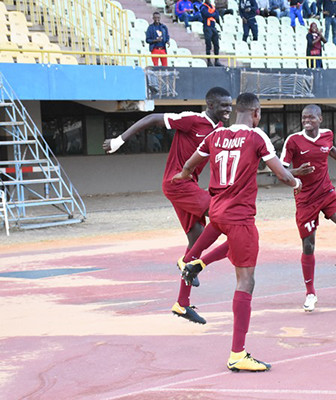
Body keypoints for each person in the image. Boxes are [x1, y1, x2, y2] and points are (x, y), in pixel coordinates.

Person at [173, 93, 301, 372]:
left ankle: (195, 262)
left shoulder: (216, 135)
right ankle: (237, 354)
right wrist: (296, 182)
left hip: (217, 211)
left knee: (235, 245)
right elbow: (282, 175)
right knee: (246, 282)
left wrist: (183, 176)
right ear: (256, 113)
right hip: (239, 216)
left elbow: (190, 164)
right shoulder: (257, 137)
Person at [102, 87, 233, 324]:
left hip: (190, 186)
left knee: (196, 241)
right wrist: (119, 141)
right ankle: (190, 264)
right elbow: (152, 118)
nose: (228, 109)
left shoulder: (221, 131)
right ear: (210, 105)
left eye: (230, 105)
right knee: (225, 217)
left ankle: (181, 304)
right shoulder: (192, 120)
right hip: (177, 183)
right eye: (223, 105)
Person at [280, 104, 336, 312]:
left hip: (326, 192)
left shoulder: (327, 134)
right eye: (303, 118)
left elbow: (330, 149)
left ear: (320, 119)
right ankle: (310, 293)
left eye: (311, 117)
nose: (306, 121)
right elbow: (280, 171)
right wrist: (297, 171)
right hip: (304, 198)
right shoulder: (293, 141)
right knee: (308, 245)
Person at [200, 0, 223, 66]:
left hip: (213, 27)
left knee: (216, 44)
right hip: (207, 27)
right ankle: (209, 61)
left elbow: (217, 15)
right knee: (208, 44)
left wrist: (212, 14)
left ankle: (216, 60)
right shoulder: (203, 7)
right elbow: (206, 14)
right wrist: (212, 14)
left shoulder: (212, 7)